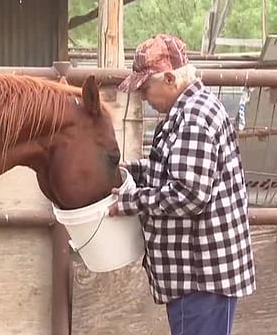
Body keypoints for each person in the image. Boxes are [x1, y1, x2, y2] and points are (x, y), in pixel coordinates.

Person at [109, 34, 256, 335]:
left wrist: (129, 202)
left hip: (201, 276)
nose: (144, 98)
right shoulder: (188, 112)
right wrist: (131, 171)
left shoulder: (194, 118)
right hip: (199, 274)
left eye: (145, 88)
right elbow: (176, 171)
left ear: (168, 79)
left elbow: (189, 194)